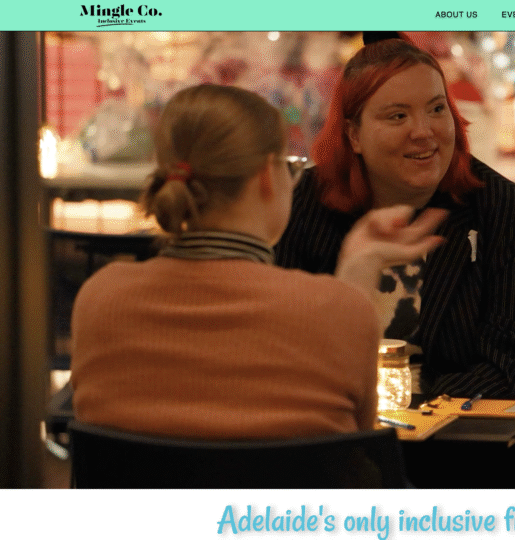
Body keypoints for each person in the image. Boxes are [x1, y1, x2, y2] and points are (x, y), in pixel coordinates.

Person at [70, 84, 443, 439]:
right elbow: (359, 445)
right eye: (289, 168)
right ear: (267, 175)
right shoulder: (336, 310)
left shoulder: (100, 299)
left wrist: (355, 272)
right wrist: (354, 286)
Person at [275, 36, 515, 403]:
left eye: (436, 109)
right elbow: (280, 350)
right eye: (398, 116)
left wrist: (414, 414)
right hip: (331, 421)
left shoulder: (504, 210)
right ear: (354, 135)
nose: (424, 131)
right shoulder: (302, 205)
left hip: (463, 430)